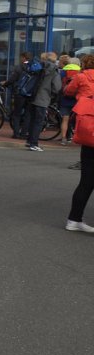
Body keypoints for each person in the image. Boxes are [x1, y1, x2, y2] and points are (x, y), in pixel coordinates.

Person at [64, 54, 94, 232]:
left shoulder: (81, 77)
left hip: (87, 130)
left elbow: (68, 91)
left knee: (86, 181)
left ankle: (74, 220)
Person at [25, 52, 62, 152]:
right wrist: (52, 95)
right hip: (43, 98)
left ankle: (29, 141)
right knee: (38, 122)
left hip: (32, 96)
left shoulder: (39, 66)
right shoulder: (54, 70)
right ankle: (34, 143)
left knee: (32, 120)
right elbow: (57, 87)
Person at [2, 52, 34, 138]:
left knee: (17, 114)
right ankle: (24, 133)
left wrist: (5, 84)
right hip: (30, 94)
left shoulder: (19, 67)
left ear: (23, 58)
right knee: (27, 114)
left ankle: (16, 133)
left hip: (19, 93)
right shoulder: (34, 68)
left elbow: (12, 79)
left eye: (21, 57)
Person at [59, 56, 81, 144]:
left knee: (65, 119)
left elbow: (59, 84)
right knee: (78, 120)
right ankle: (76, 137)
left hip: (65, 98)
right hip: (77, 99)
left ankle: (63, 138)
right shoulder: (80, 72)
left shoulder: (63, 72)